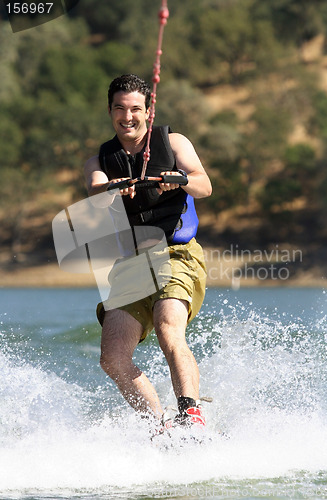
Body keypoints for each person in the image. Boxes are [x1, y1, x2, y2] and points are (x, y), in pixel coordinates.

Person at [84, 74, 212, 433]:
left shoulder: (174, 142)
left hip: (177, 253)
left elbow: (205, 185)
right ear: (110, 111)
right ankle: (159, 428)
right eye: (120, 109)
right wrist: (113, 188)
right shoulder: (99, 161)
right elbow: (94, 189)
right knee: (112, 357)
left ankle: (190, 416)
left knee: (168, 327)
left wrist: (181, 179)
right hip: (132, 265)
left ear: (148, 110)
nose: (128, 117)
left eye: (136, 109)